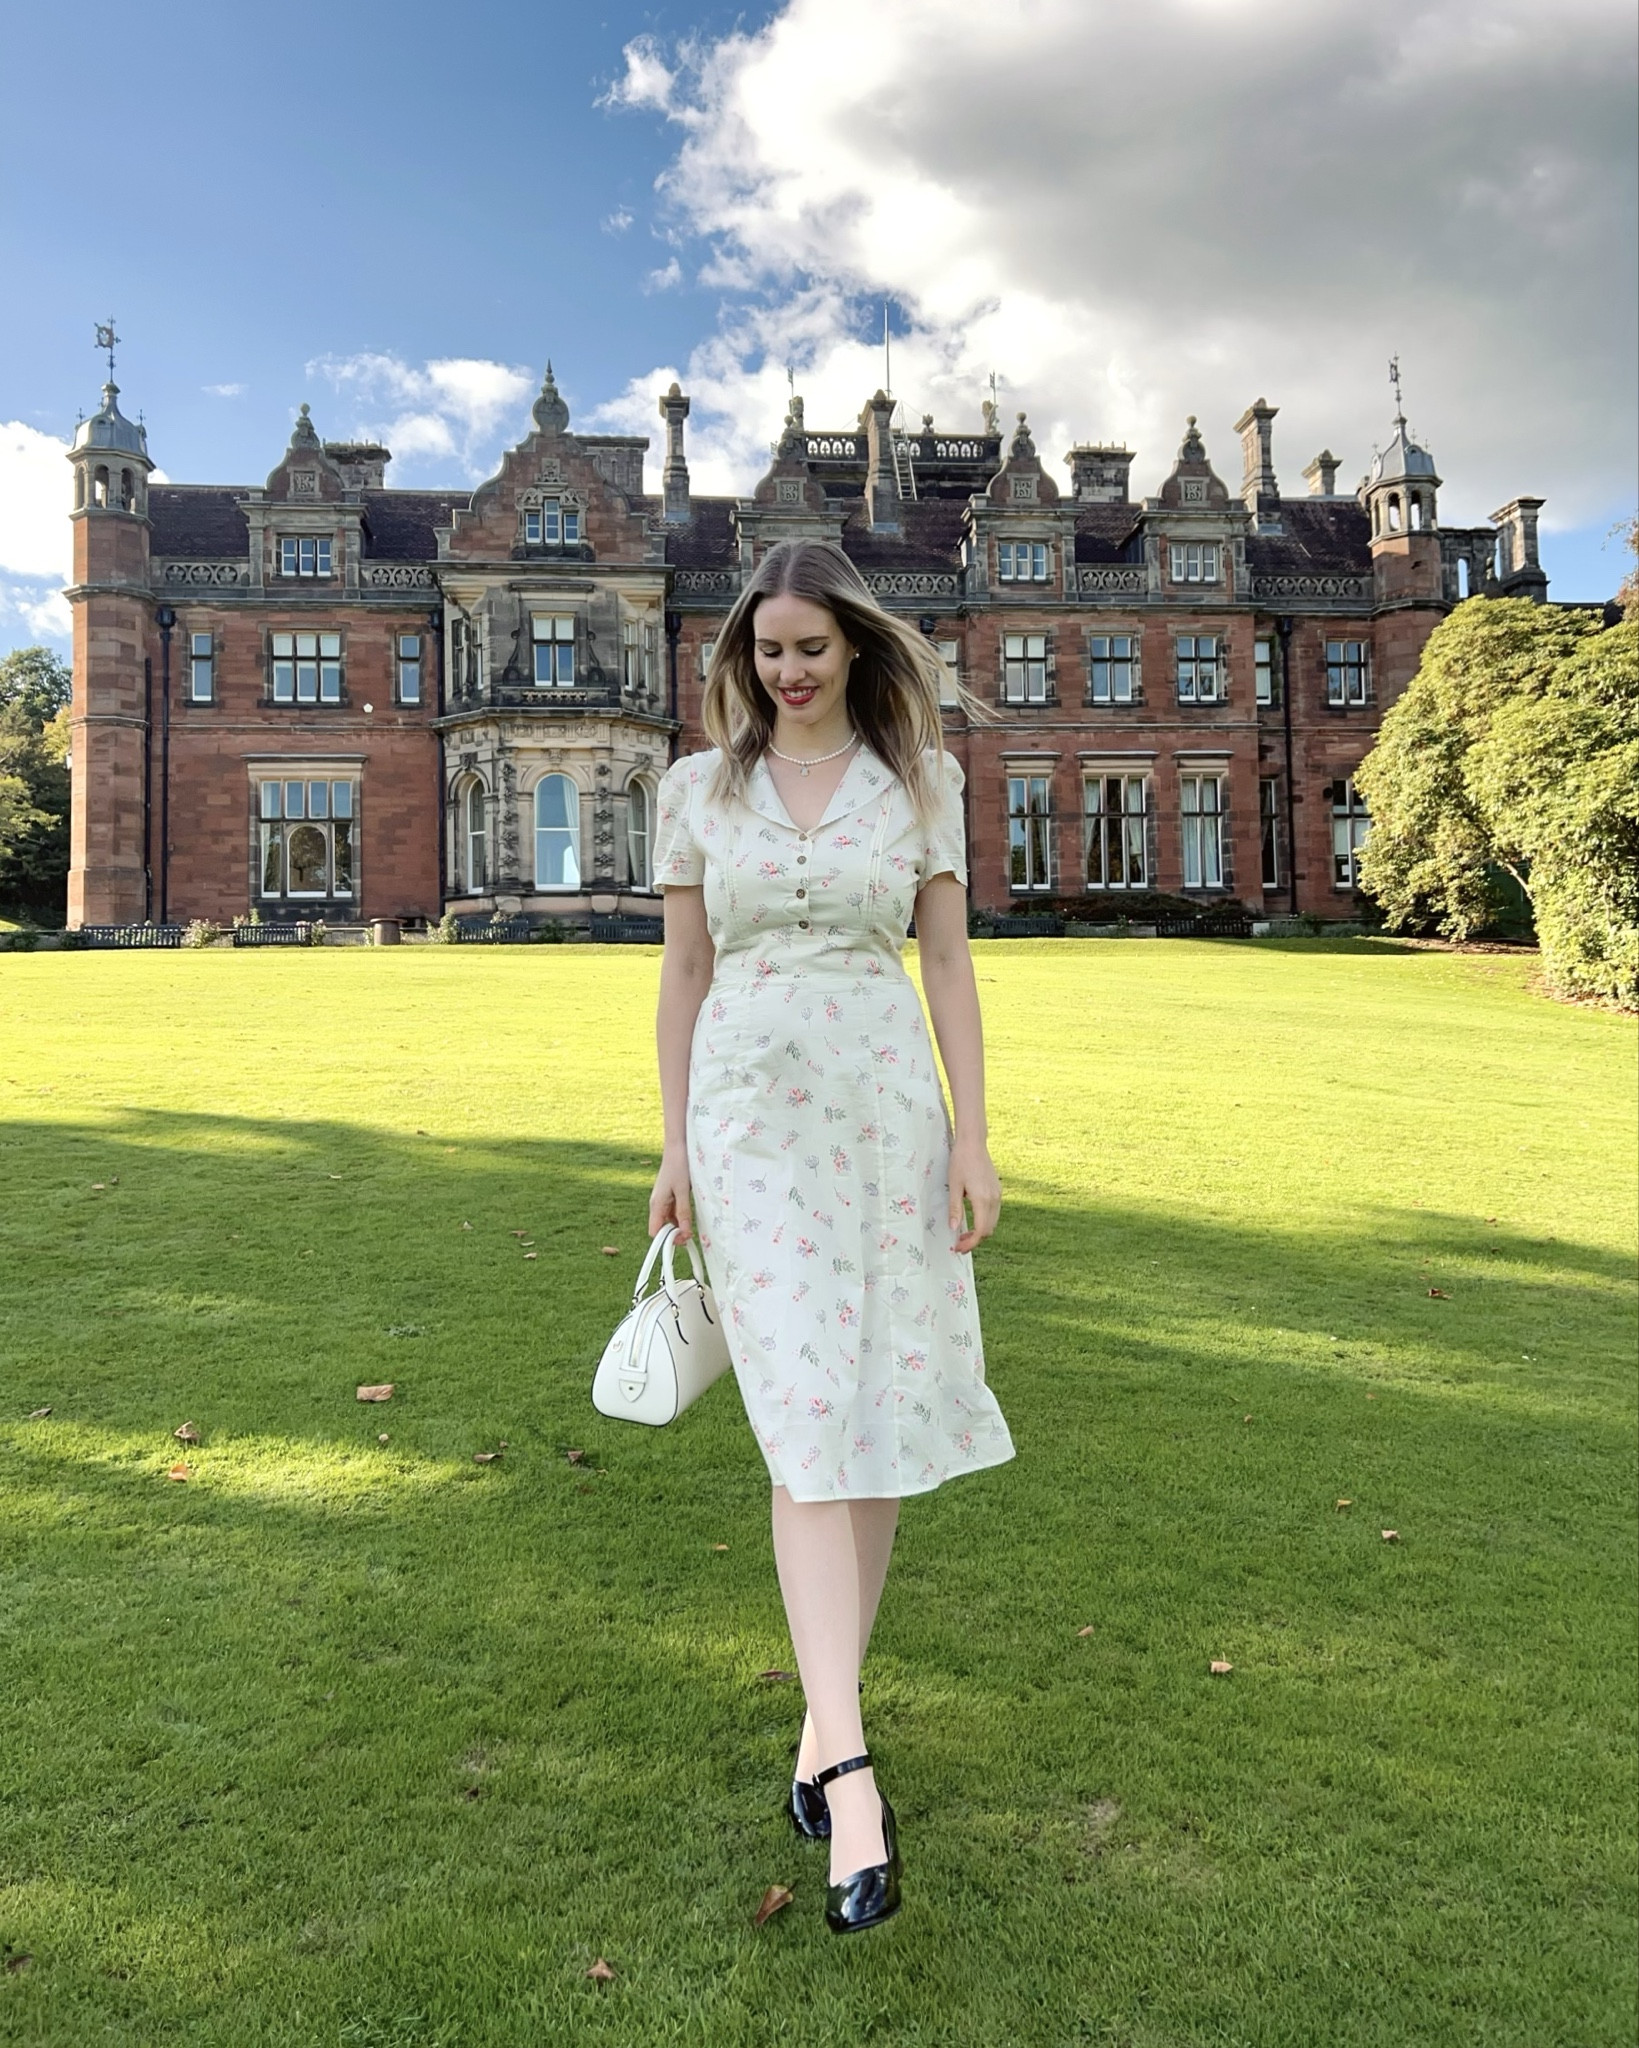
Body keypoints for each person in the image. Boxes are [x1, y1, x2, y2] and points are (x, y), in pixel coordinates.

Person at [647, 537, 1015, 1935]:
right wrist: (675, 1144)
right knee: (806, 1418)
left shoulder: (922, 782)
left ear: (855, 645)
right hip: (749, 1120)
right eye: (766, 649)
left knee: (875, 1417)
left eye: (809, 645)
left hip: (884, 1115)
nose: (786, 669)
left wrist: (973, 1135)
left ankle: (818, 1725)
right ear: (741, 656)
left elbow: (946, 962)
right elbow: (685, 971)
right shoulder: (698, 789)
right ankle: (853, 1772)